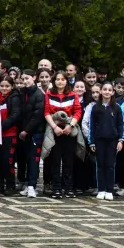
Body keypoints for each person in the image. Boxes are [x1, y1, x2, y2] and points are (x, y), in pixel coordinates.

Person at [42, 71, 81, 199]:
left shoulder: (73, 95)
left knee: (69, 161)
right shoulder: (49, 94)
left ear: (66, 81)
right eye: (57, 79)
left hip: (69, 131)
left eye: (62, 79)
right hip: (55, 131)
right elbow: (46, 112)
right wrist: (55, 127)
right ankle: (56, 188)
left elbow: (77, 111)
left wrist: (71, 126)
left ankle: (68, 188)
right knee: (55, 161)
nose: (60, 81)